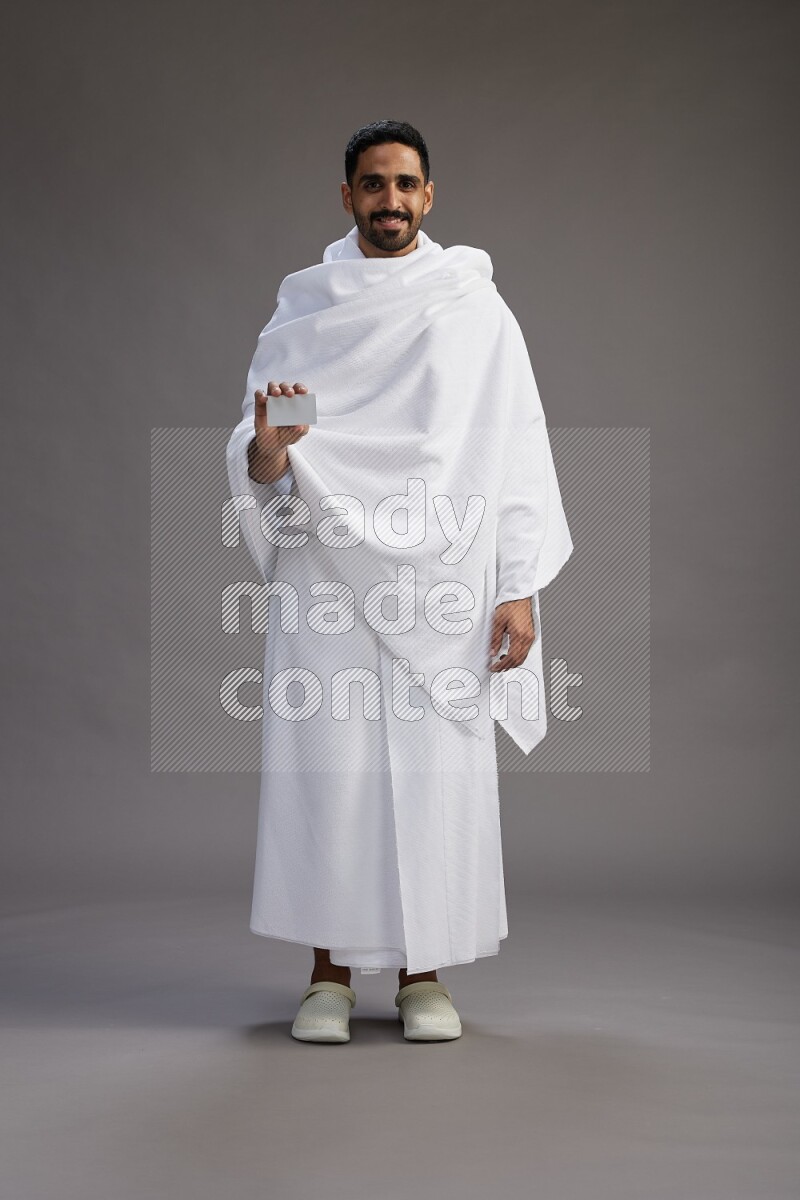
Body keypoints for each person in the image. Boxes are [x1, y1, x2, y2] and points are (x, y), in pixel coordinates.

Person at [226, 120, 572, 1043]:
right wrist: (266, 449)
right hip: (328, 572)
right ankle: (327, 979)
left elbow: (518, 450)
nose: (390, 201)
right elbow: (259, 459)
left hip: (445, 575)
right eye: (372, 185)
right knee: (327, 771)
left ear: (430, 195)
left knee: (432, 774)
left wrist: (519, 585)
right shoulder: (306, 304)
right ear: (347, 196)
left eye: (406, 185)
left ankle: (425, 977)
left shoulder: (474, 307)